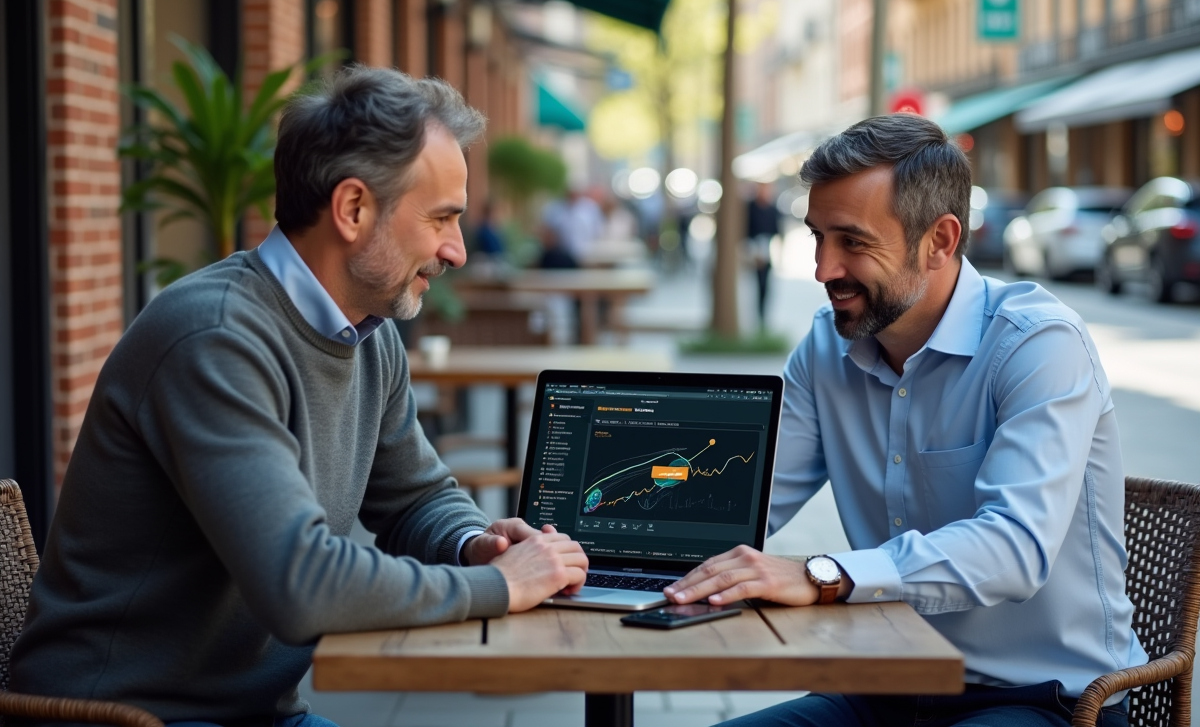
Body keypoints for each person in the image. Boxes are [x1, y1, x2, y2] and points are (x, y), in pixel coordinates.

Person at [10, 67, 589, 725]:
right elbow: (300, 583)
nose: (456, 250)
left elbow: (416, 497)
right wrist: (498, 586)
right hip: (128, 715)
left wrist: (471, 544)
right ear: (352, 209)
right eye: (440, 219)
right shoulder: (215, 339)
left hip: (253, 711)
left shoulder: (369, 335)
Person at [665, 114, 1144, 727]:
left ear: (940, 241)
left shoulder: (1038, 344)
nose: (822, 270)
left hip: (1048, 699)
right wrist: (572, 539)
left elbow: (1015, 548)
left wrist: (823, 575)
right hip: (889, 684)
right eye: (816, 237)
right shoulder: (825, 347)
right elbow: (741, 495)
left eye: (853, 242)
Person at [746, 182, 780, 329]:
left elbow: (777, 232)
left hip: (767, 250)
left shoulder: (773, 210)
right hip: (753, 249)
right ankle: (756, 317)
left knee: (766, 287)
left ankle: (763, 317)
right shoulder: (750, 208)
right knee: (754, 286)